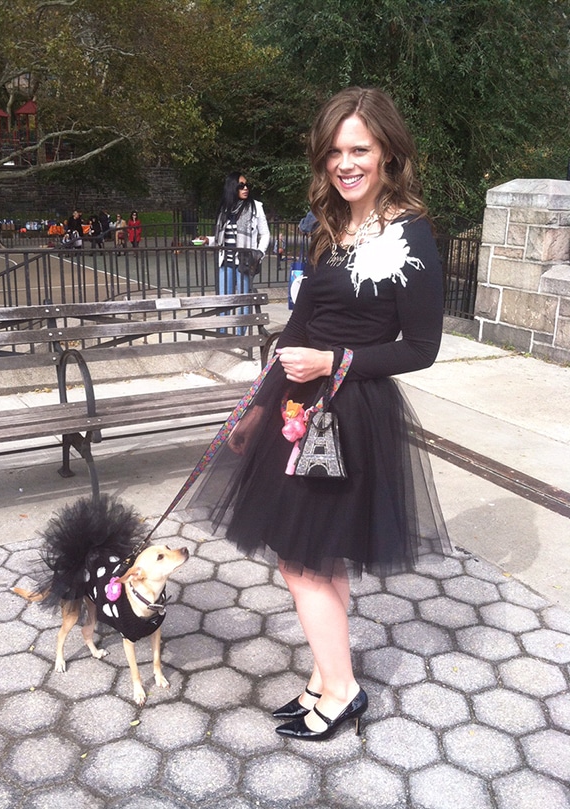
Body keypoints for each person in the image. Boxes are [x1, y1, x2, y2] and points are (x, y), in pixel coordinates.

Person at [176, 87, 450, 741]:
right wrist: (255, 406)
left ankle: (344, 690)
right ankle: (328, 677)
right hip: (298, 409)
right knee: (313, 557)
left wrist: (333, 362)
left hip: (348, 418)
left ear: (387, 152)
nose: (345, 162)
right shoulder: (330, 227)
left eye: (359, 149)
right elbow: (299, 325)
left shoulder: (409, 234)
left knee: (301, 559)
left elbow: (422, 347)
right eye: (335, 151)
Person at [203, 172, 270, 301]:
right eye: (241, 186)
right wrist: (208, 240)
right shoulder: (225, 210)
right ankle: (225, 321)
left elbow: (265, 234)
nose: (245, 189)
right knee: (224, 301)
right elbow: (222, 239)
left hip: (245, 262)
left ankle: (244, 321)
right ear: (232, 187)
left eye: (247, 185)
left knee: (244, 300)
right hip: (225, 262)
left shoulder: (255, 207)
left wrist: (259, 253)